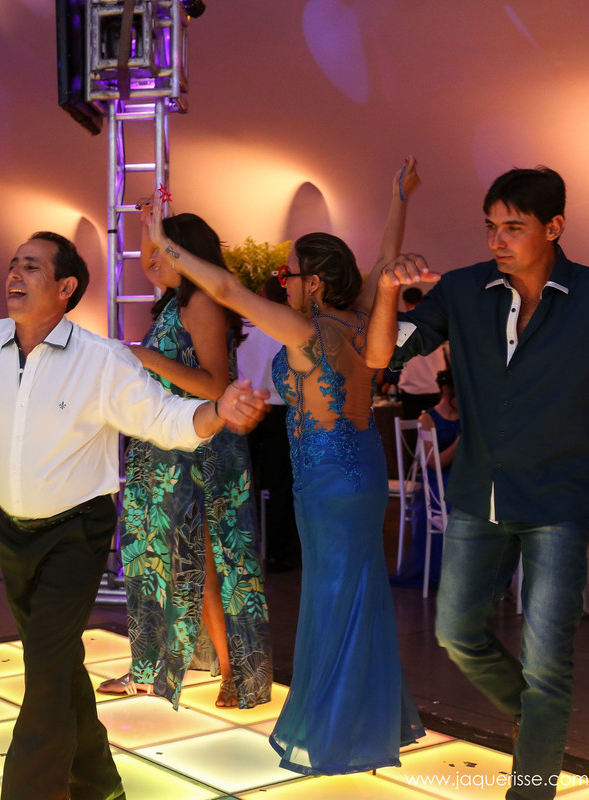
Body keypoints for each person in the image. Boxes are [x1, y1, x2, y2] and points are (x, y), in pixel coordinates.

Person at [0, 230, 269, 800]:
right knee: (57, 663)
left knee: (43, 673)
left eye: (31, 267)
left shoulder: (101, 359)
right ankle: (99, 784)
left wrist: (217, 411)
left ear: (65, 288)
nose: (14, 274)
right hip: (11, 534)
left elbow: (163, 418)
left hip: (75, 534)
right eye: (13, 264)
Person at [143, 158, 426, 775]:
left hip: (326, 482)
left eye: (288, 273)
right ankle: (359, 721)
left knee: (333, 597)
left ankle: (334, 732)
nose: (282, 282)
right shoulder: (359, 319)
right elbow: (385, 256)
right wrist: (398, 197)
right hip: (358, 470)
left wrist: (168, 245)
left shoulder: (306, 330)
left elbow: (227, 292)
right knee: (354, 594)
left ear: (314, 283)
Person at [366, 166, 589, 800]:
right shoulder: (463, 291)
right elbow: (380, 356)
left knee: (548, 662)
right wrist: (386, 292)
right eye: (491, 226)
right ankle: (535, 718)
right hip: (477, 494)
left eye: (513, 227)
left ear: (554, 227)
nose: (497, 240)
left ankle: (531, 786)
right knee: (457, 633)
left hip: (558, 501)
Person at [97, 212, 272, 710]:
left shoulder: (202, 303)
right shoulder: (176, 303)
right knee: (160, 559)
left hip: (199, 451)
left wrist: (145, 357)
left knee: (204, 562)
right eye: (149, 249)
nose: (151, 259)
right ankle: (153, 666)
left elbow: (216, 385)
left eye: (163, 249)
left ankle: (235, 674)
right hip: (166, 448)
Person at [238, 276, 300, 572]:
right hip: (281, 409)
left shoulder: (244, 323)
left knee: (243, 480)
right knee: (280, 483)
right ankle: (277, 551)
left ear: (262, 294)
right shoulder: (290, 324)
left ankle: (243, 547)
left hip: (245, 405)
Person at [390, 367, 459, 588]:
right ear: (446, 390)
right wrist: (461, 441)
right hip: (438, 482)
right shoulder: (427, 418)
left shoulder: (466, 416)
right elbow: (434, 463)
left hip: (461, 476)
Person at [394, 288, 447, 420]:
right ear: (422, 300)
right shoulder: (436, 320)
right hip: (435, 384)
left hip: (411, 387)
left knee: (412, 427)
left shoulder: (401, 323)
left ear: (405, 302)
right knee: (435, 427)